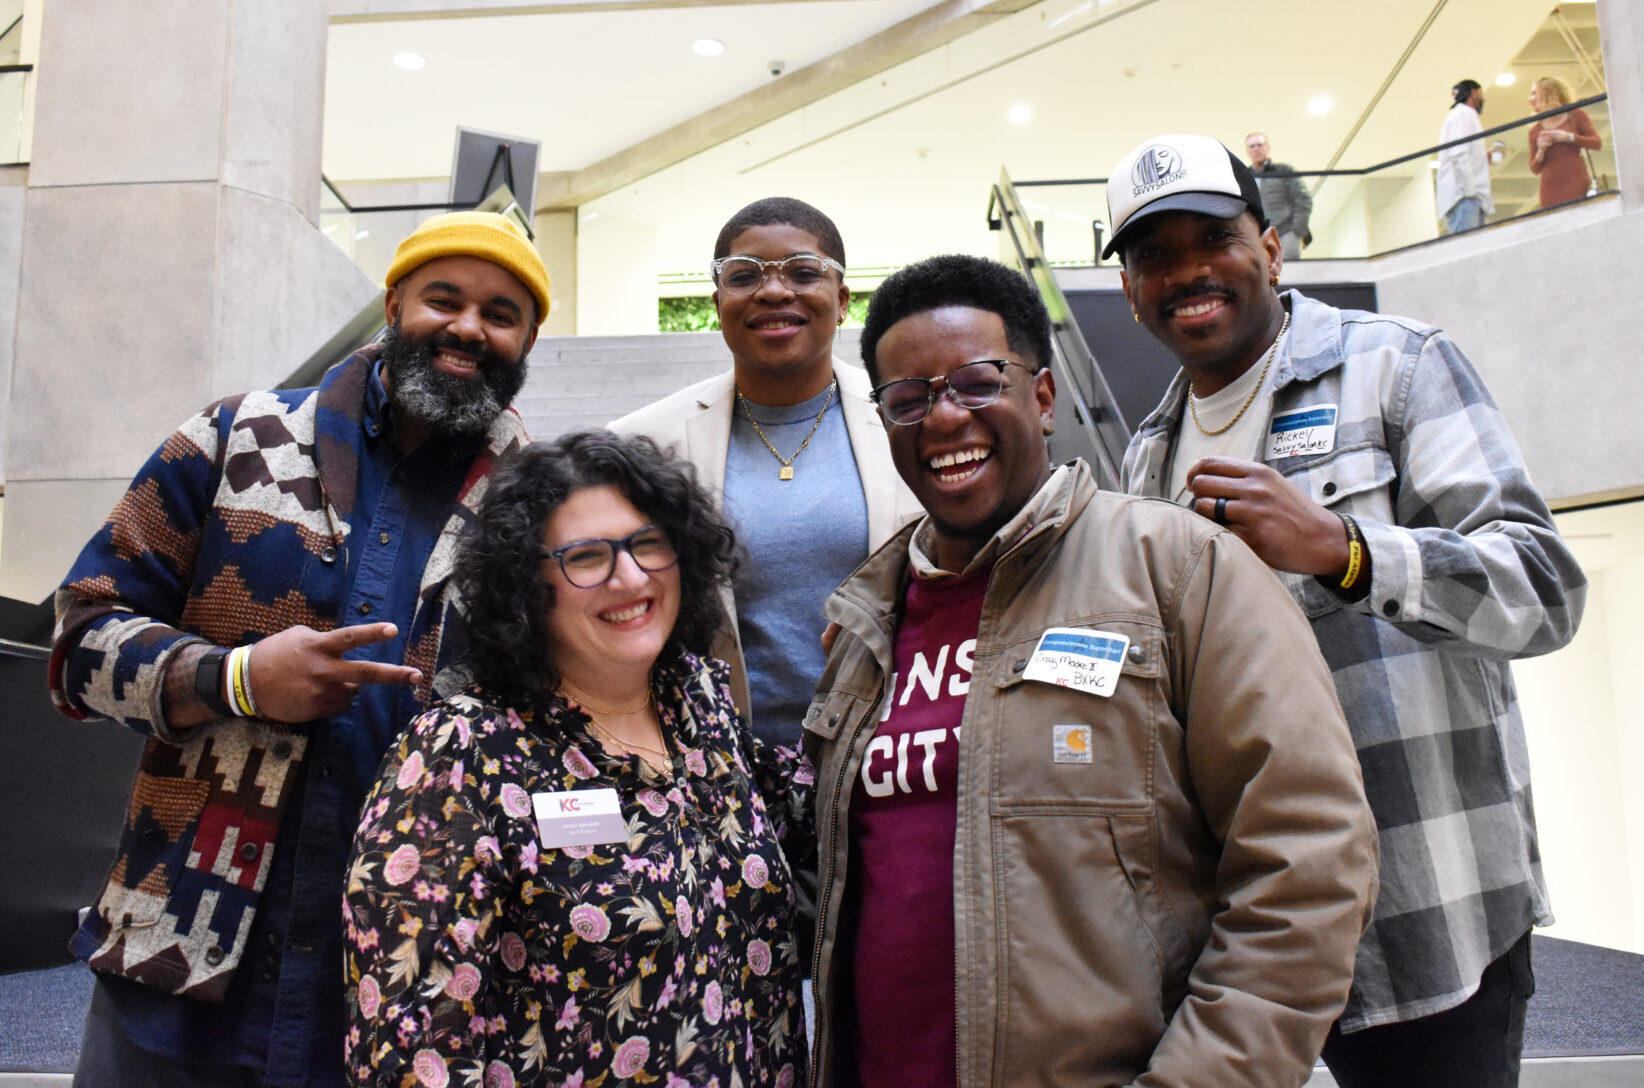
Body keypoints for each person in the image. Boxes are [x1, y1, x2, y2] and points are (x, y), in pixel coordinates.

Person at [804, 252, 1378, 1087]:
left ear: (1042, 397)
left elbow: (1308, 860)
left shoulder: (1179, 568)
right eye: (907, 397)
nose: (942, 418)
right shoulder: (864, 618)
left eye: (975, 382)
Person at [1107, 132, 1588, 1088]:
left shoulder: (1398, 367)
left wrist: (1349, 552)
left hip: (1425, 916)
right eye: (1155, 254)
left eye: (1216, 237)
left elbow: (1544, 589)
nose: (1189, 270)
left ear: (1273, 247)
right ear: (1129, 290)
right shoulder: (1146, 460)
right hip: (1252, 937)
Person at [49, 210, 551, 1087]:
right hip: (183, 937)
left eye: (502, 313)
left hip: (410, 963)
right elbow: (80, 643)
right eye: (445, 298)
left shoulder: (545, 505)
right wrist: (236, 678)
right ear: (395, 305)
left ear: (528, 339)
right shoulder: (234, 437)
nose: (470, 327)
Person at [344, 432, 812, 1087]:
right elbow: (407, 1053)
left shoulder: (700, 704)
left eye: (648, 543)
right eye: (586, 557)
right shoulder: (462, 756)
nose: (630, 578)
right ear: (527, 585)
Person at [611, 197, 921, 747]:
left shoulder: (907, 419)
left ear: (843, 300)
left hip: (882, 758)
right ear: (718, 300)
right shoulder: (640, 444)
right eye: (744, 275)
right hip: (712, 772)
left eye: (804, 272)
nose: (774, 291)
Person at [1528, 75, 1602, 208]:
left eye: (1534, 94)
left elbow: (1596, 142)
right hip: (1549, 189)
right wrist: (1541, 150)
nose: (1530, 99)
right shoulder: (1535, 130)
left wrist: (1569, 137)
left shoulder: (1575, 115)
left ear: (1548, 94)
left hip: (1576, 182)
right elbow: (1535, 168)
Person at [1437, 78, 1495, 233]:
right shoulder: (1463, 114)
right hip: (1465, 199)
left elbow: (1462, 152)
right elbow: (1459, 153)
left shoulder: (1462, 115)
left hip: (1469, 198)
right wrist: (1470, 193)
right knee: (1466, 249)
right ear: (1474, 93)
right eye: (1481, 94)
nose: (1483, 99)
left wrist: (1482, 157)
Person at [1244, 131, 1312, 259]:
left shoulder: (1284, 170)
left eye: (1259, 145)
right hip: (1255, 238)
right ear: (1247, 151)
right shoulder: (1244, 176)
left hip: (1285, 235)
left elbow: (1303, 199)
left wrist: (1296, 231)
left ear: (1267, 148)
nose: (1256, 149)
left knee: (1291, 276)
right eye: (1252, 146)